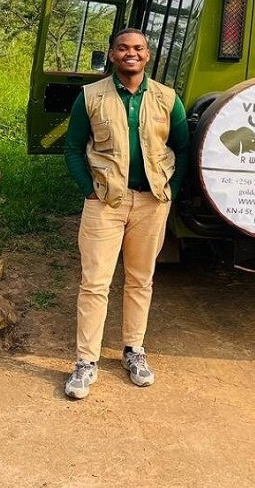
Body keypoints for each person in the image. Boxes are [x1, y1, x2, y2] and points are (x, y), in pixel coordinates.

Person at [62, 28, 190, 399]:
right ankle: (86, 362)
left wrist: (171, 192)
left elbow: (182, 148)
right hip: (105, 203)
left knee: (140, 280)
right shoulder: (90, 97)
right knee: (94, 282)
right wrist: (89, 191)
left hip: (151, 202)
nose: (130, 54)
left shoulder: (167, 99)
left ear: (147, 55)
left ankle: (134, 351)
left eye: (138, 48)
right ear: (112, 55)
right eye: (123, 48)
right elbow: (72, 148)